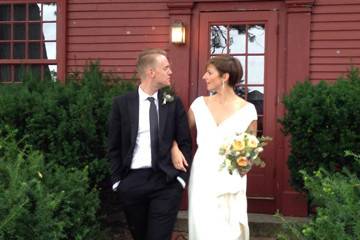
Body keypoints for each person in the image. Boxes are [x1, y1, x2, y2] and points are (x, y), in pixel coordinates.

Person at [108, 48, 192, 240]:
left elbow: (186, 142)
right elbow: (113, 147)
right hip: (132, 182)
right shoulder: (121, 104)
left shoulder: (173, 103)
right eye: (166, 67)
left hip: (166, 181)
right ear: (151, 72)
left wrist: (181, 180)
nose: (170, 72)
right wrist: (117, 183)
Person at [171, 55, 257, 240]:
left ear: (224, 77)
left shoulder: (248, 110)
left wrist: (245, 164)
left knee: (230, 229)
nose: (204, 77)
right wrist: (174, 147)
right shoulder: (199, 105)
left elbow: (251, 151)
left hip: (231, 176)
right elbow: (179, 134)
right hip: (203, 174)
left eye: (209, 73)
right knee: (203, 225)